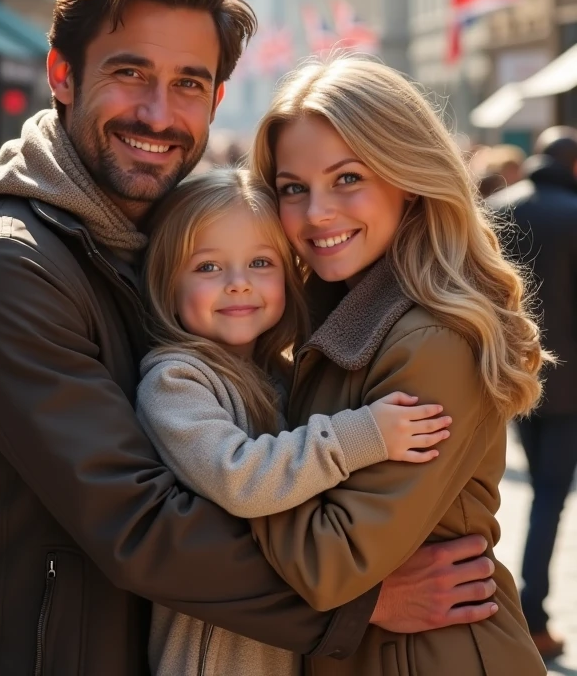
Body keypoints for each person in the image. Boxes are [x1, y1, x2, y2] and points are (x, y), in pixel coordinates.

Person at [0, 0, 498, 675]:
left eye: (188, 83)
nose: (158, 114)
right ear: (62, 74)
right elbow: (138, 524)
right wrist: (358, 604)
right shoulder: (4, 267)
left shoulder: (155, 240)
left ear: (217, 99)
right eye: (130, 73)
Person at [247, 56, 547, 676]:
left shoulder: (431, 339)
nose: (317, 213)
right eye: (293, 188)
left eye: (347, 178)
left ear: (407, 176)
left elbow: (330, 563)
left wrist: (226, 457)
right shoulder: (327, 318)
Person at [137, 168, 452, 676]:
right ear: (167, 282)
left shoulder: (280, 377)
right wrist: (362, 436)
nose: (238, 283)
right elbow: (238, 477)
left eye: (260, 262)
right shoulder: (175, 382)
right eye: (209, 266)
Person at [487, 126, 577, 661]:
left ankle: (518, 608)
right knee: (547, 497)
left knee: (511, 494)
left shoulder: (498, 209)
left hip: (511, 376)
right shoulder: (573, 214)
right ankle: (532, 612)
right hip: (569, 386)